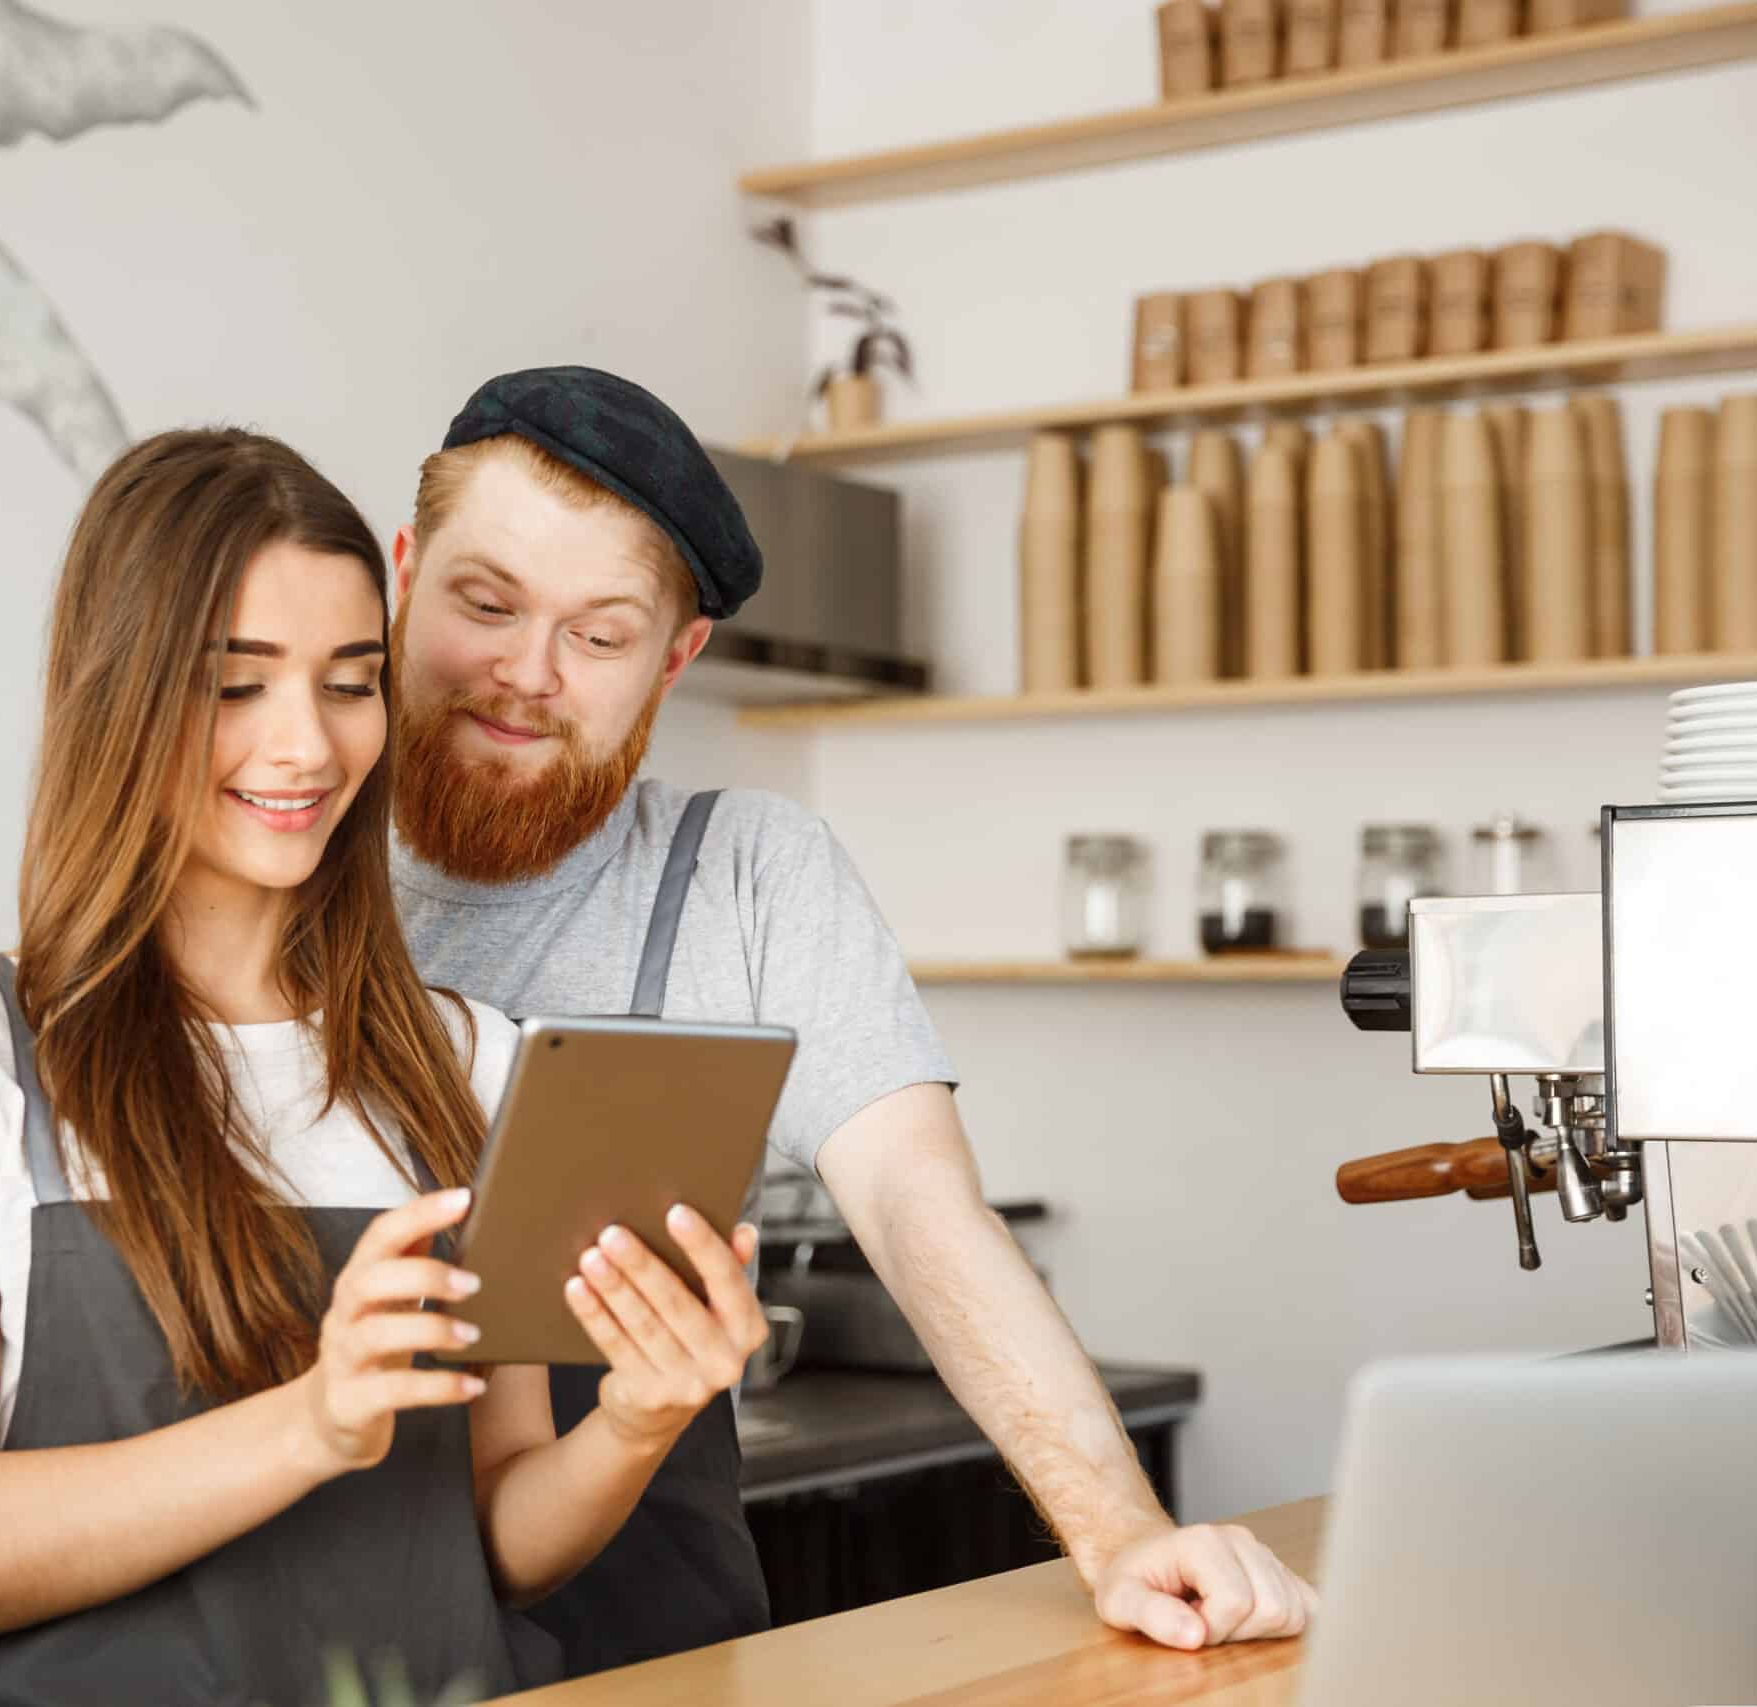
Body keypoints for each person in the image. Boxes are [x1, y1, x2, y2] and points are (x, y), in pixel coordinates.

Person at [0, 427, 770, 1705]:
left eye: (350, 682)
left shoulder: (465, 1061)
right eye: (237, 684)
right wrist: (312, 1424)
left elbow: (491, 1543)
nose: (308, 746)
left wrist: (638, 1419)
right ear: (118, 692)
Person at [385, 368, 1320, 1676]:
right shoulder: (266, 853)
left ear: (674, 659)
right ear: (404, 572)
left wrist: (1119, 1531)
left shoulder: (747, 877)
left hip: (653, 1655)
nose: (524, 673)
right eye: (486, 605)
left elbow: (917, 1206)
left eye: (597, 637)